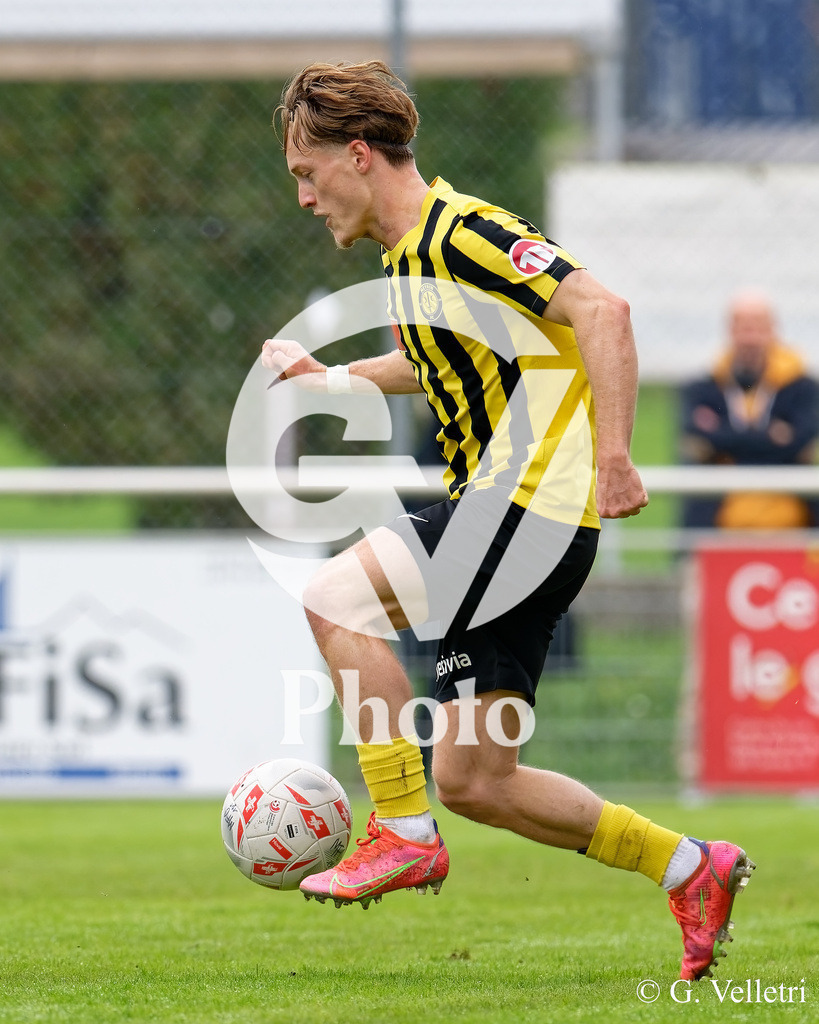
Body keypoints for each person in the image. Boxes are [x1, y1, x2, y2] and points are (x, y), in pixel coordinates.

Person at [262, 61, 755, 982]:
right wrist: (328, 379)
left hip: (525, 505)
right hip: (521, 521)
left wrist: (615, 456)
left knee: (335, 599)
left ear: (358, 155)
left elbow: (601, 309)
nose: (303, 197)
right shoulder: (408, 260)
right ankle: (689, 867)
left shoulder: (464, 232)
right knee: (476, 781)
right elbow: (433, 362)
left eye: (306, 172)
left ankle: (400, 830)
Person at [680, 291, 819, 529]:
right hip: (717, 527)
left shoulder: (802, 387)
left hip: (794, 528)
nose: (749, 338)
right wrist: (772, 437)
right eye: (742, 328)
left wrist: (726, 444)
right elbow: (697, 438)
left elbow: (801, 441)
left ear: (773, 330)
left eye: (758, 328)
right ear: (729, 330)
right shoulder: (704, 387)